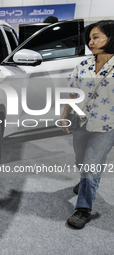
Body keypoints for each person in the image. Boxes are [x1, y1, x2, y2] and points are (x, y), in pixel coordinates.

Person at [60, 20, 114, 229]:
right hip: (81, 123)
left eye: (96, 37)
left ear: (110, 39)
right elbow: (71, 92)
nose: (91, 42)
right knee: (81, 160)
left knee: (92, 167)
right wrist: (64, 115)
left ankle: (83, 209)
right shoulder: (83, 65)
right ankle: (85, 183)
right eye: (89, 38)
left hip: (107, 127)